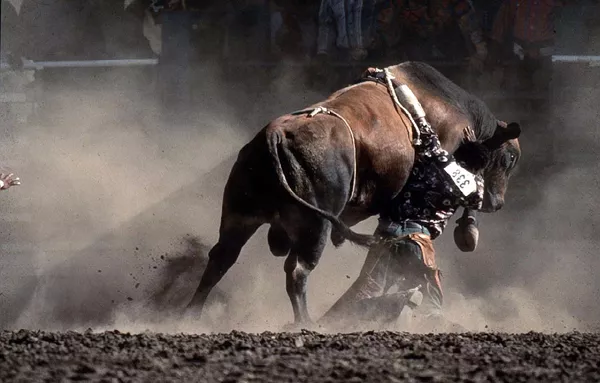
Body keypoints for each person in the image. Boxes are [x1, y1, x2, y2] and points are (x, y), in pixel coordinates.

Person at [320, 110, 488, 333]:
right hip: (420, 244)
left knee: (363, 292)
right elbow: (478, 186)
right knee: (433, 308)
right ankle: (413, 307)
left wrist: (391, 81)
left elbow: (419, 119)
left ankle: (328, 324)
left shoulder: (437, 157)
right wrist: (477, 151)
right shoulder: (474, 187)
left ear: (460, 152)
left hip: (388, 236)